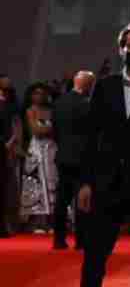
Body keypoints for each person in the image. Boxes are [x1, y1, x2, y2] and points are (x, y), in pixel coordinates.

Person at [80, 24, 130, 287]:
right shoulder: (105, 86)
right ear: (121, 50)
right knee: (95, 253)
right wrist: (86, 182)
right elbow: (91, 135)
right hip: (106, 181)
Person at [53, 70, 95, 249]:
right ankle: (81, 240)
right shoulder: (88, 104)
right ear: (88, 85)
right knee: (82, 199)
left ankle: (59, 240)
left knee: (62, 199)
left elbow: (55, 130)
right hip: (82, 157)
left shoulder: (59, 102)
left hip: (63, 156)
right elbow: (93, 133)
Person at [19, 82, 58, 234]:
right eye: (36, 93)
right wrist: (49, 128)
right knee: (37, 182)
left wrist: (45, 128)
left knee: (52, 181)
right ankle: (37, 223)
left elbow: (55, 129)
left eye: (42, 93)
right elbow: (35, 131)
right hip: (37, 150)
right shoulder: (30, 110)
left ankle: (52, 221)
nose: (39, 96)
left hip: (51, 149)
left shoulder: (51, 110)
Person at [0, 73, 20, 238]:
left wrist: (11, 143)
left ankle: (4, 225)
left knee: (5, 188)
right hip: (4, 147)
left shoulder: (10, 106)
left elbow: (15, 127)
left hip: (6, 150)